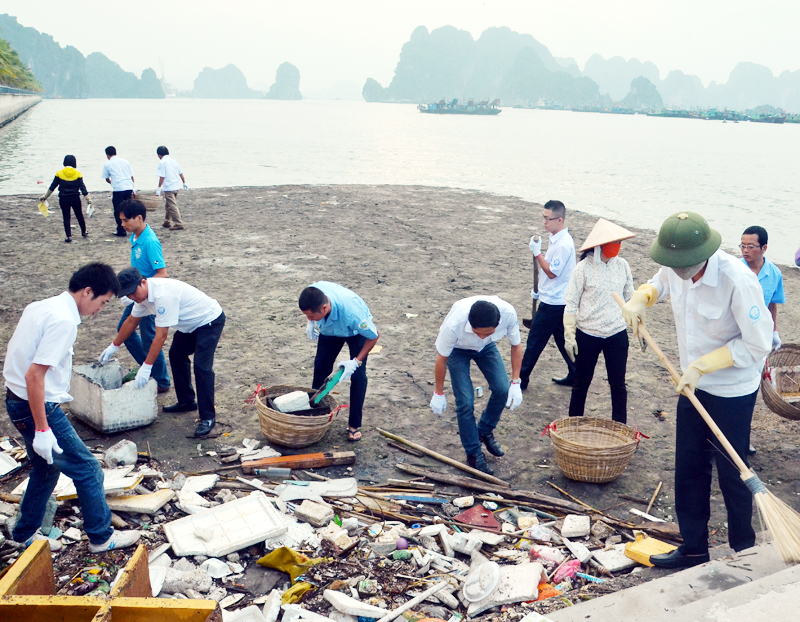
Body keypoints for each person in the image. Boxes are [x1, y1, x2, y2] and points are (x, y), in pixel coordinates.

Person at [622, 211, 772, 568]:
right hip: (691, 386)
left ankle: (743, 550)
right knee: (688, 467)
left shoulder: (738, 281)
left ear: (701, 254)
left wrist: (704, 364)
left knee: (733, 471)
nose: (675, 271)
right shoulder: (677, 267)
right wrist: (642, 297)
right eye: (671, 263)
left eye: (680, 265)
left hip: (731, 389)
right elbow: (659, 281)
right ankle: (694, 548)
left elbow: (758, 344)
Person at [3, 263, 141, 552]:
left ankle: (23, 534)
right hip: (36, 406)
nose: (100, 310)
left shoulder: (40, 306)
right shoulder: (64, 321)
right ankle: (101, 538)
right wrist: (42, 428)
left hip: (16, 399)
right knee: (88, 469)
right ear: (87, 291)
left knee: (45, 468)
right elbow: (34, 375)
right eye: (102, 302)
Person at [101, 268, 225, 437]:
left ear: (143, 282)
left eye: (132, 292)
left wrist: (146, 366)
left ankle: (207, 417)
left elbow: (160, 337)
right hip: (188, 325)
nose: (132, 297)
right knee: (176, 355)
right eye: (127, 295)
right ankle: (186, 401)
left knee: (202, 367)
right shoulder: (142, 298)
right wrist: (114, 345)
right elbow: (131, 321)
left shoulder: (163, 295)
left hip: (208, 321)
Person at [430, 296, 523, 475]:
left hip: (487, 348)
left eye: (487, 332)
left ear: (497, 324)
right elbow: (442, 359)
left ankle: (484, 431)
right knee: (465, 401)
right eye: (477, 332)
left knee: (502, 389)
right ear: (469, 323)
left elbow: (516, 345)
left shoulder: (508, 314)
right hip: (458, 350)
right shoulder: (454, 324)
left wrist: (516, 382)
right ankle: (473, 451)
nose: (480, 336)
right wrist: (439, 392)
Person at [564, 219, 635, 423]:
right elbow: (571, 303)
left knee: (618, 384)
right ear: (600, 245)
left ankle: (620, 427)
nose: (617, 247)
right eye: (614, 242)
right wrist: (569, 335)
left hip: (616, 333)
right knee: (581, 382)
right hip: (588, 333)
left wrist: (639, 326)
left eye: (620, 242)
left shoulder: (622, 266)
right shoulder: (583, 269)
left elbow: (630, 299)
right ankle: (574, 425)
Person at [299, 282, 379, 442]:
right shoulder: (314, 292)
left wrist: (356, 362)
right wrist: (311, 322)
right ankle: (317, 416)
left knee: (358, 376)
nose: (309, 319)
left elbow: (374, 336)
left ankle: (354, 424)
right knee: (320, 368)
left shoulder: (354, 314)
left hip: (355, 331)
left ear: (324, 308)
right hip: (329, 330)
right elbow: (312, 306)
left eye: (311, 316)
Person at [519, 200, 577, 389]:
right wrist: (539, 291)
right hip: (554, 298)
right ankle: (576, 373)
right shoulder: (556, 239)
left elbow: (552, 272)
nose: (544, 222)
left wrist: (537, 254)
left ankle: (521, 379)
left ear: (559, 220)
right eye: (543, 217)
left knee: (534, 342)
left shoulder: (563, 244)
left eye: (547, 218)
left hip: (554, 303)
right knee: (561, 340)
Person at [115, 199, 171, 394]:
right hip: (136, 293)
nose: (122, 224)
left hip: (147, 295)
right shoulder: (135, 236)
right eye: (121, 220)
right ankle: (148, 369)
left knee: (149, 338)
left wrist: (138, 289)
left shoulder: (149, 241)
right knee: (125, 330)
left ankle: (161, 380)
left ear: (139, 218)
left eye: (125, 220)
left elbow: (162, 273)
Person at [740, 226, 784, 351]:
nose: (745, 251)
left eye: (751, 247)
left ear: (764, 248)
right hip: (736, 328)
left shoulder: (774, 273)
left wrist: (774, 330)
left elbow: (772, 304)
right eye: (743, 246)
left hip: (760, 328)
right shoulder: (734, 269)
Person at [39, 155, 92, 243]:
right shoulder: (77, 173)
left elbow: (53, 186)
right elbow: (83, 187)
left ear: (65, 162)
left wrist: (45, 196)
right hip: (75, 198)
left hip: (63, 198)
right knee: (79, 215)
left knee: (66, 217)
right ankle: (84, 231)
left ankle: (68, 236)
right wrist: (88, 199)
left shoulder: (59, 173)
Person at [101, 146, 135, 237]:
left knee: (118, 210)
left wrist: (112, 183)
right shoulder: (125, 162)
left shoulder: (108, 164)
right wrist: (133, 189)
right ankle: (131, 227)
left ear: (107, 155)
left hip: (118, 189)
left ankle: (121, 230)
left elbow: (106, 178)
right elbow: (131, 176)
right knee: (128, 209)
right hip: (128, 187)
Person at [156, 146, 189, 231]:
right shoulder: (174, 161)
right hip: (176, 185)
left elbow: (162, 176)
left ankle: (178, 223)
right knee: (168, 205)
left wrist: (159, 187)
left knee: (172, 206)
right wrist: (184, 182)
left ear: (159, 155)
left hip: (169, 187)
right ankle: (167, 221)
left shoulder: (162, 162)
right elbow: (180, 173)